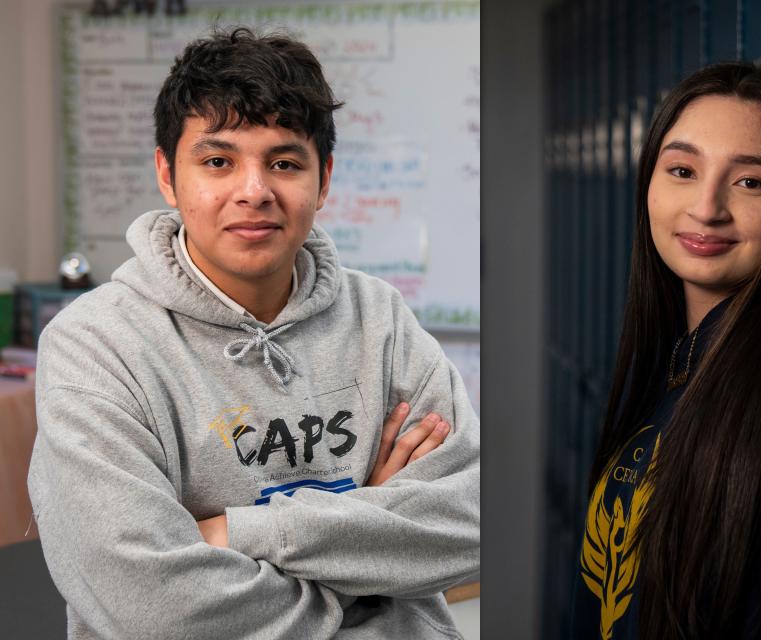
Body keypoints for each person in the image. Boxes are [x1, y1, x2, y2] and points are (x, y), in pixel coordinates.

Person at [28, 28, 479, 639]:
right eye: (218, 161)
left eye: (284, 162)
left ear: (322, 182)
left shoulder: (382, 319)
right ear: (168, 176)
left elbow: (476, 520)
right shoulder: (96, 345)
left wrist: (237, 532)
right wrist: (369, 555)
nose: (254, 191)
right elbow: (152, 603)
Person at [571, 63, 761, 639]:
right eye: (684, 170)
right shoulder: (684, 359)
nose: (707, 207)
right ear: (649, 181)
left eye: (751, 182)